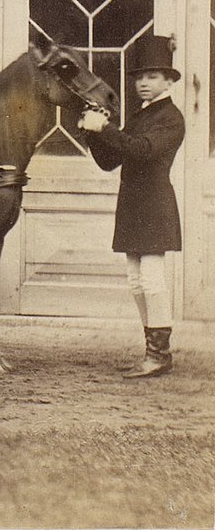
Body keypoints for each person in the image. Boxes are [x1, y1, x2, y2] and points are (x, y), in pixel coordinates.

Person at [80, 31, 184, 378]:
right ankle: (152, 352)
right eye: (139, 76)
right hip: (134, 205)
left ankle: (160, 355)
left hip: (155, 206)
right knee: (136, 280)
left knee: (152, 279)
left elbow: (141, 150)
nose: (143, 83)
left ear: (169, 79)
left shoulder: (171, 117)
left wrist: (106, 128)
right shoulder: (142, 115)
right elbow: (111, 160)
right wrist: (93, 132)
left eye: (152, 76)